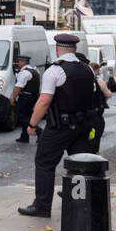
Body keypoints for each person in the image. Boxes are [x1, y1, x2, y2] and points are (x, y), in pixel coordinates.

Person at [17, 34, 101, 218]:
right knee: (81, 164)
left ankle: (42, 206)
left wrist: (32, 124)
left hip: (60, 126)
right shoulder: (87, 69)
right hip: (83, 125)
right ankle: (84, 202)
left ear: (57, 49)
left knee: (44, 162)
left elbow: (44, 102)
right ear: (75, 49)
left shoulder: (55, 71)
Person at [10, 53, 40, 144]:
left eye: (19, 61)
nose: (18, 63)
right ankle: (24, 136)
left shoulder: (24, 72)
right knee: (28, 117)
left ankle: (39, 132)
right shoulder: (35, 70)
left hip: (26, 98)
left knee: (22, 116)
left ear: (24, 62)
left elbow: (18, 87)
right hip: (33, 97)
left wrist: (13, 98)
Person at [89, 60, 115, 148]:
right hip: (96, 114)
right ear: (95, 70)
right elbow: (108, 94)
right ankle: (94, 152)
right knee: (95, 134)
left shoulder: (83, 80)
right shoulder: (99, 81)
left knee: (89, 135)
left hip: (86, 114)